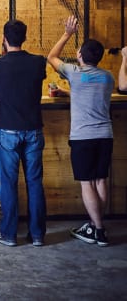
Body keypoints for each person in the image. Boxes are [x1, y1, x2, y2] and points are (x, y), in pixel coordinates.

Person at [0, 19, 47, 247]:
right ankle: (38, 235)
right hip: (33, 131)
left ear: (4, 39)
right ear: (25, 38)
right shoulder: (38, 62)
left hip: (7, 132)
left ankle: (10, 235)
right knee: (34, 183)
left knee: (9, 183)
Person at [47, 16, 114, 247]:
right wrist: (67, 93)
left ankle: (99, 230)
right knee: (100, 180)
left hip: (83, 138)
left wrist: (67, 33)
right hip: (105, 136)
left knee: (87, 183)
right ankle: (96, 226)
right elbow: (90, 91)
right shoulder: (107, 77)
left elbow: (51, 57)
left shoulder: (74, 73)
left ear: (80, 56)